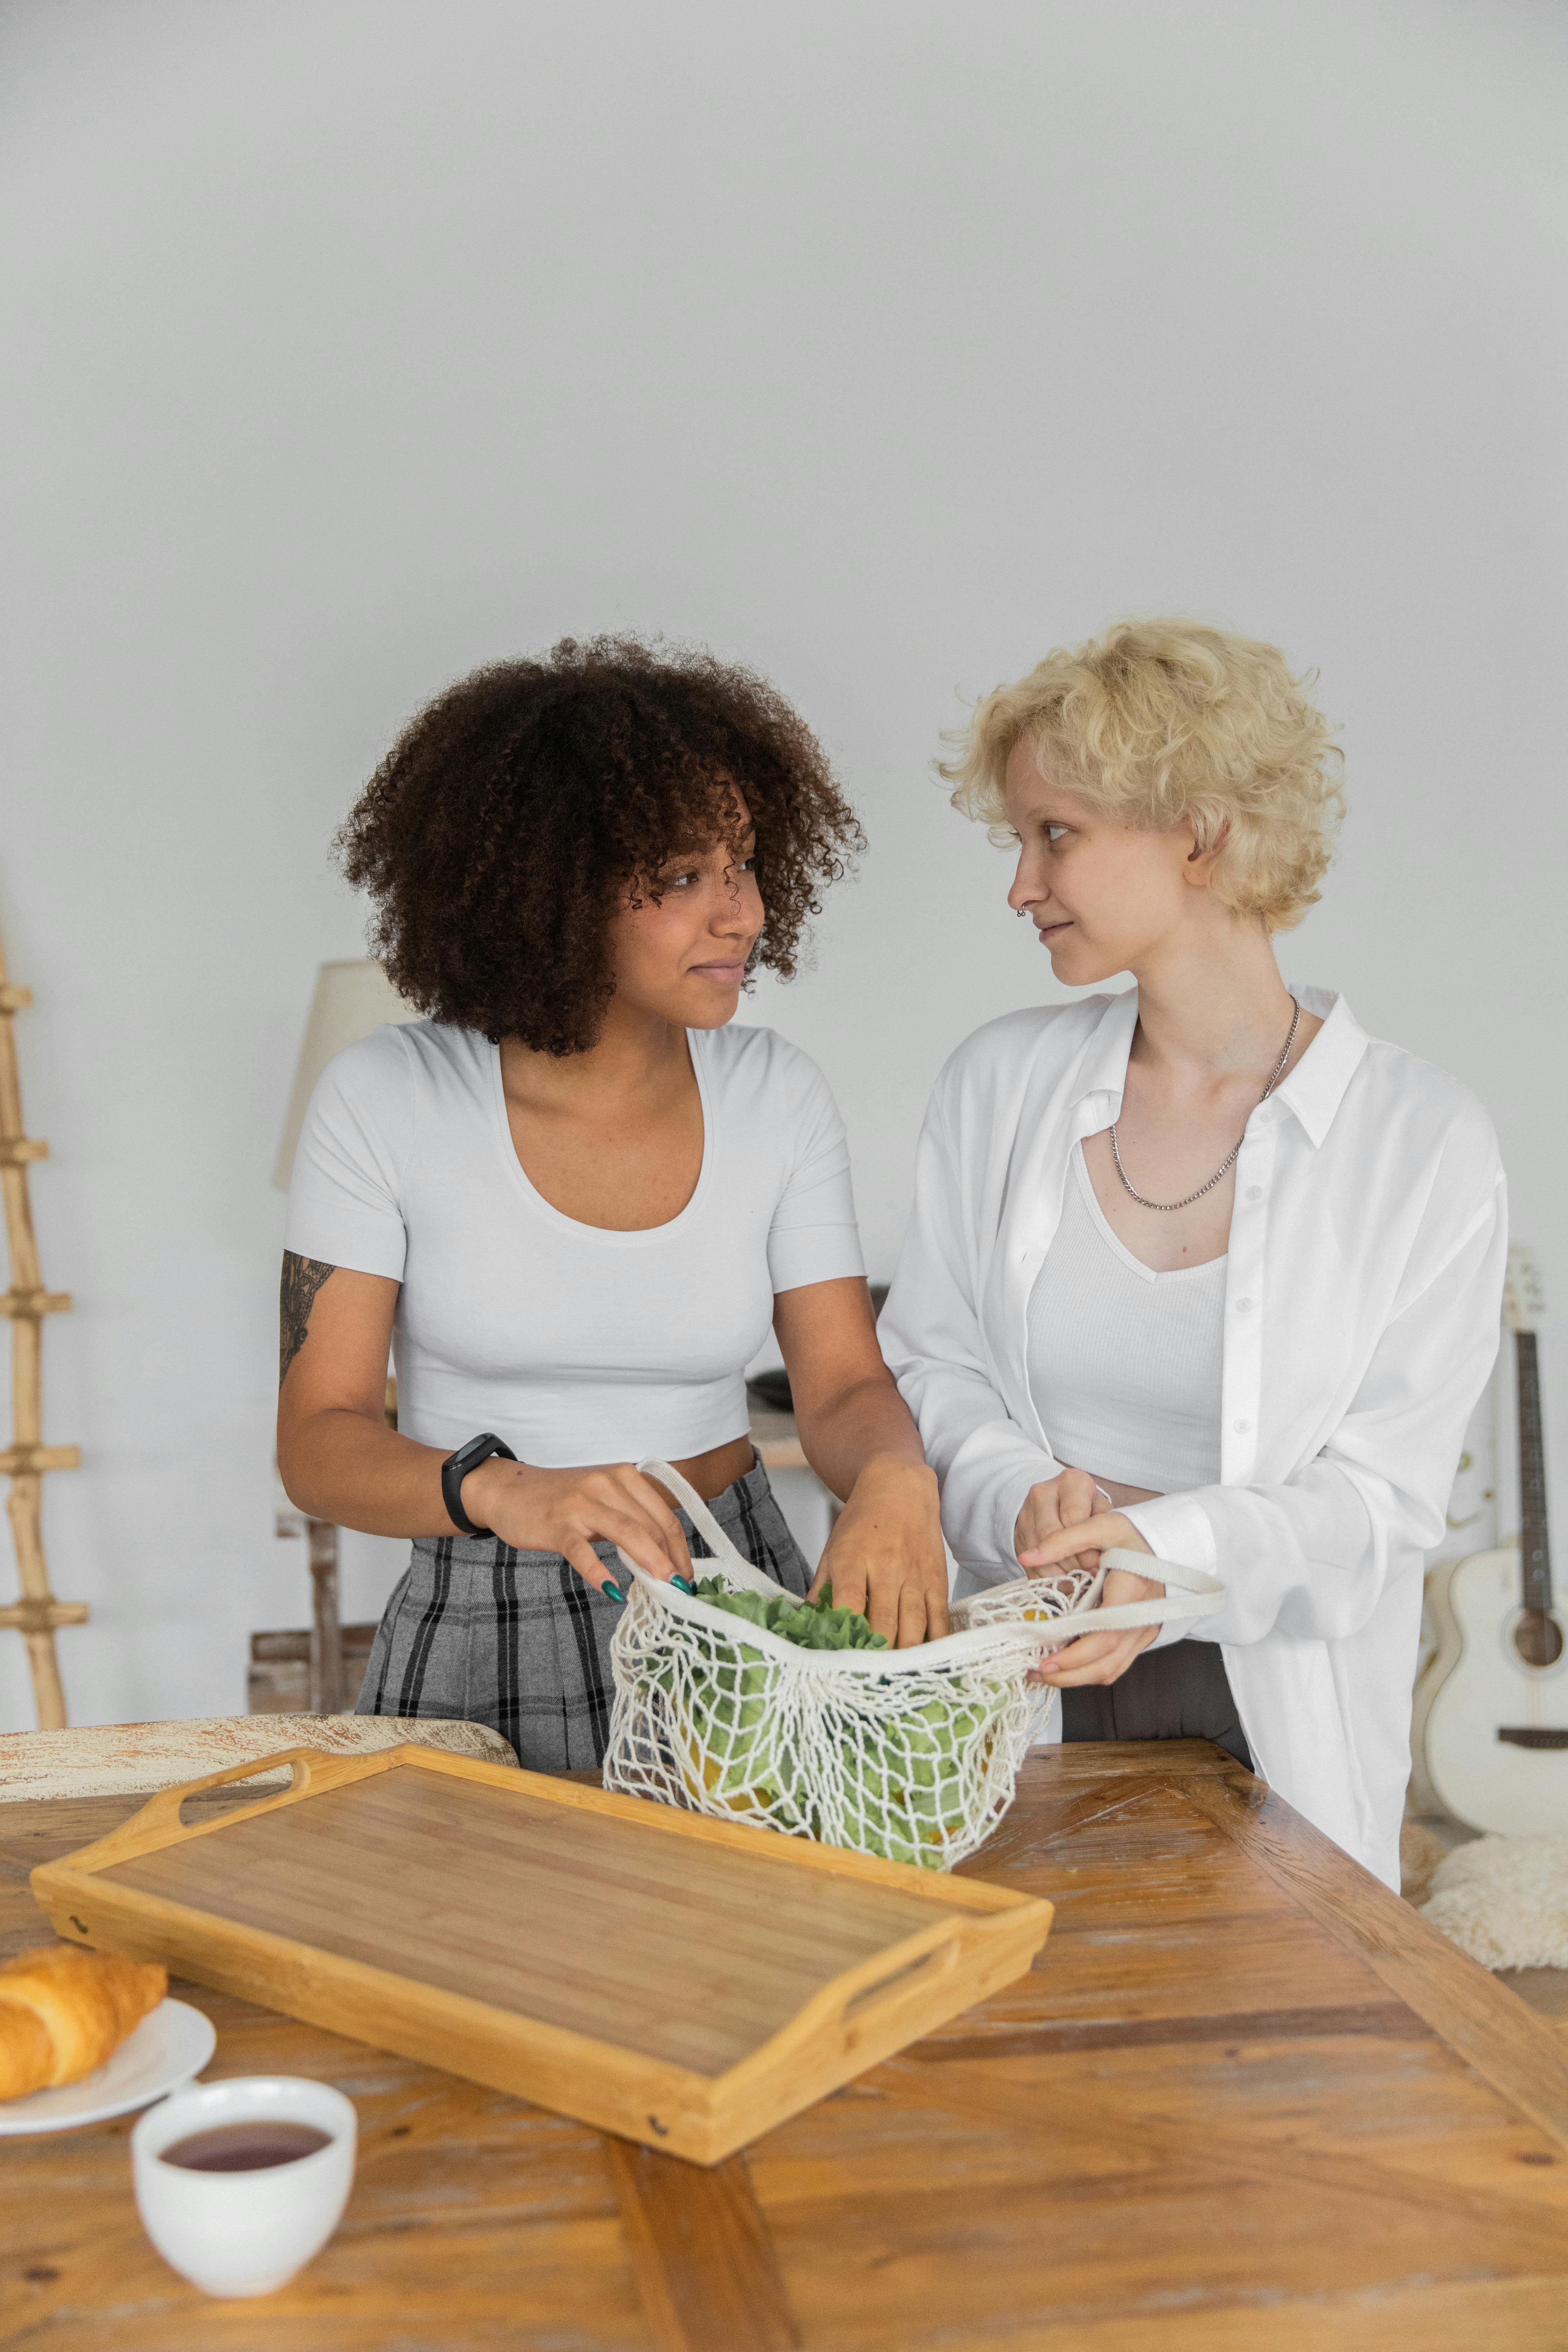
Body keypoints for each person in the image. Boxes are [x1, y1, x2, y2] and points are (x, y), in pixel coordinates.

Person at [879, 618, 1505, 1889]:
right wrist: (1016, 1489)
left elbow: (1384, 1505)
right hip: (1025, 1702)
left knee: (1277, 2076)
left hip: (1282, 1732)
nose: (1020, 884)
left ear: (1202, 837)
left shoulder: (1421, 1141)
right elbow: (933, 1364)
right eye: (1019, 839)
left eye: (1056, 835)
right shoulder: (997, 1085)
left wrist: (1162, 1558)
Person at [278, 636, 947, 1772]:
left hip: (736, 1590)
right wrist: (503, 1490)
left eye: (743, 867)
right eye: (685, 879)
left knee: (762, 1949)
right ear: (549, 886)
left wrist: (896, 1476)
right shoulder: (387, 1095)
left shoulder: (775, 1093)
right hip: (484, 1606)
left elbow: (840, 1385)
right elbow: (318, 1443)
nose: (739, 915)